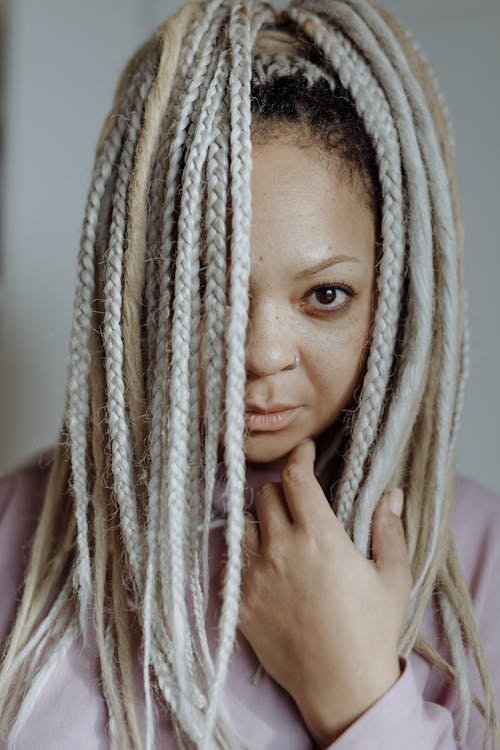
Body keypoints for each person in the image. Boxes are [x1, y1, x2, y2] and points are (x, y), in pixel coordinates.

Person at [0, 0, 499, 748]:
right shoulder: (21, 529)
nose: (262, 353)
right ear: (139, 284)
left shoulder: (478, 552)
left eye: (325, 295)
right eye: (207, 287)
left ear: (392, 297)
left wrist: (357, 695)